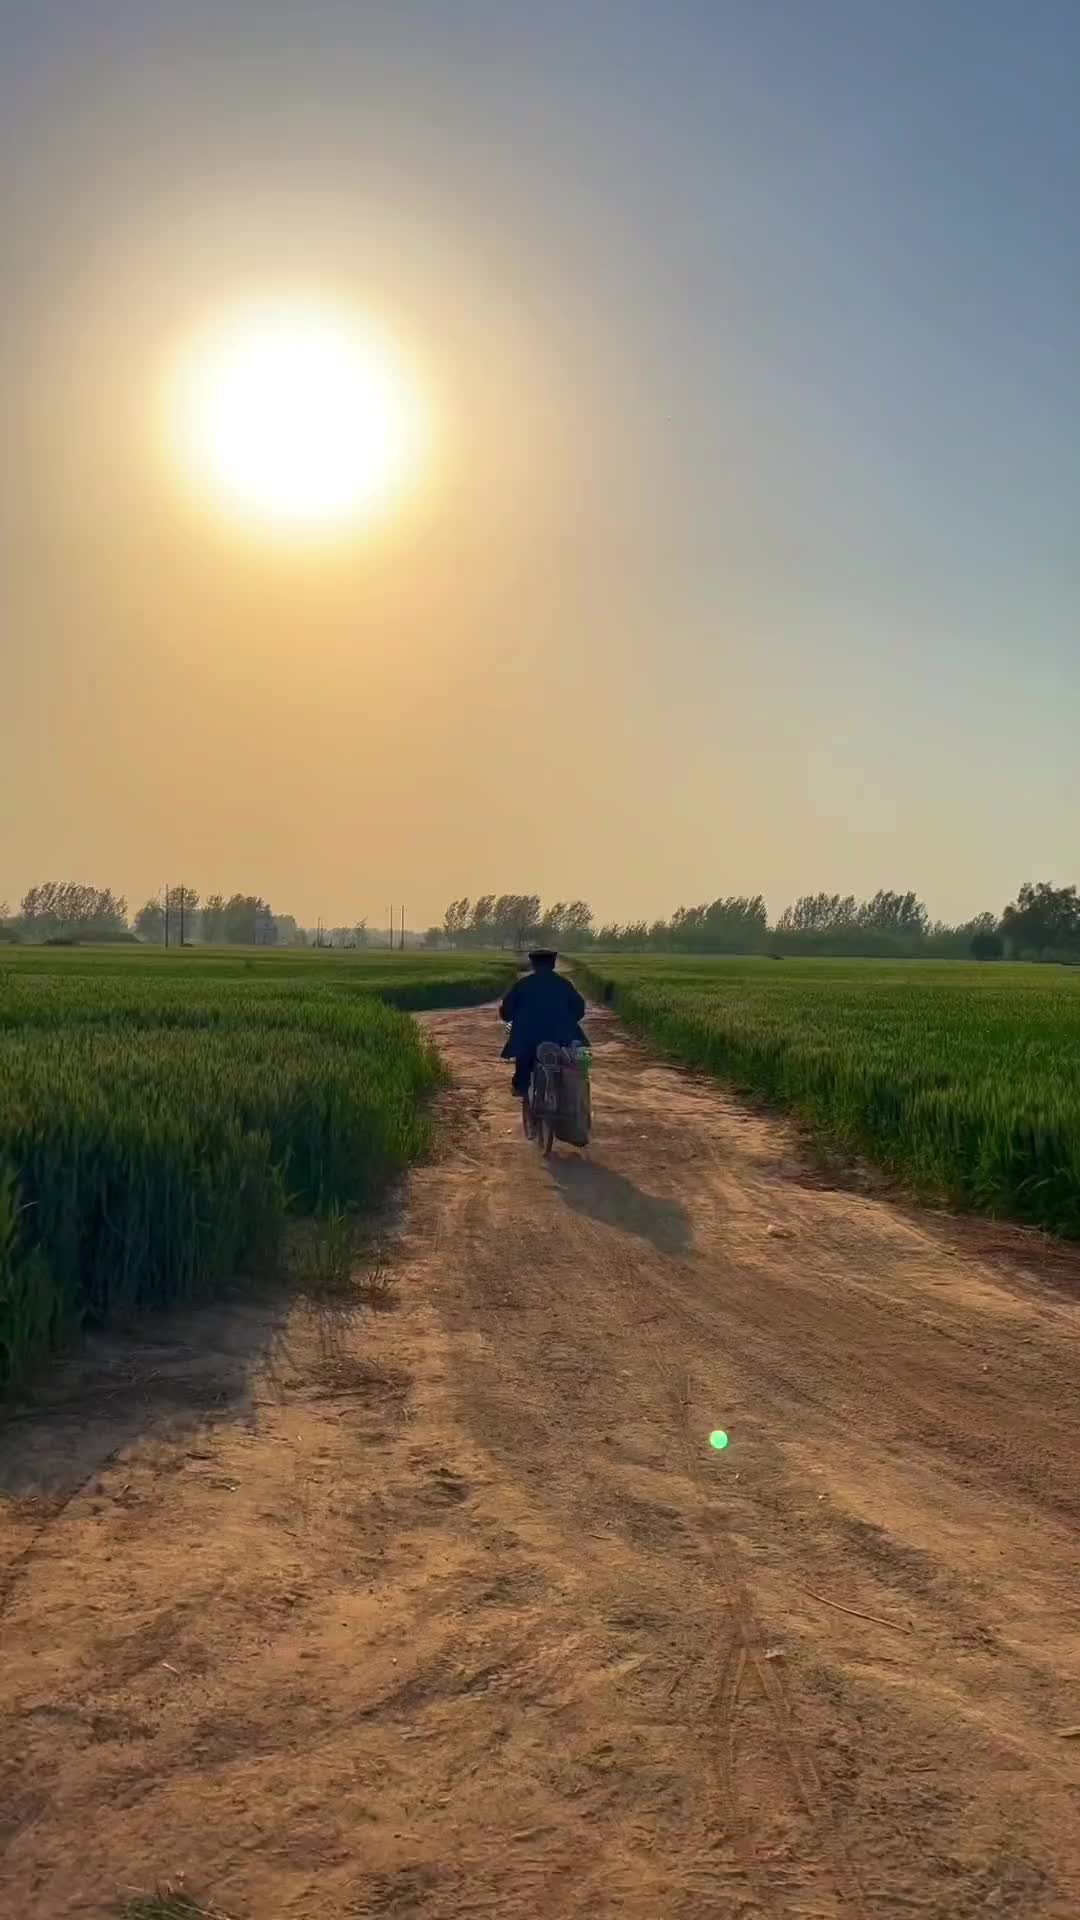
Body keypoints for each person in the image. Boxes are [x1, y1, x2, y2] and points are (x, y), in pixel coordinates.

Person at [499, 950, 589, 1100]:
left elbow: (507, 1011)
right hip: (562, 1038)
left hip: (528, 1037)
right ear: (553, 964)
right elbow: (579, 1010)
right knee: (574, 1060)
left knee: (523, 1058)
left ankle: (521, 1087)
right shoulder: (564, 984)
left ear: (533, 964)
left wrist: (512, 1019)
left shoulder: (523, 985)